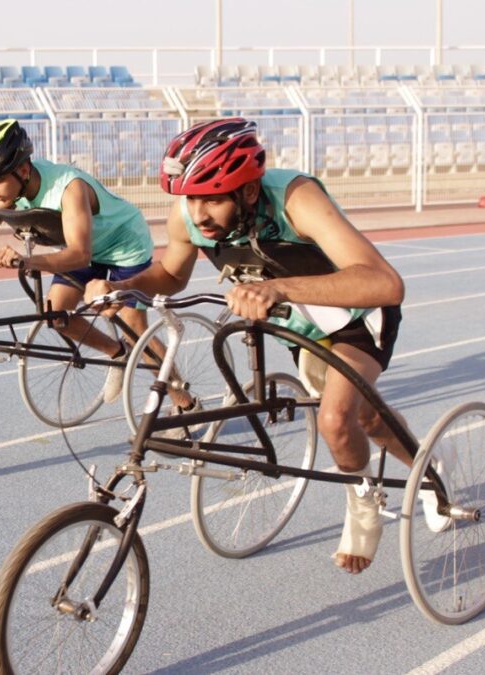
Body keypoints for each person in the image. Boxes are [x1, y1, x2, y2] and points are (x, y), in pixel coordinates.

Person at [85, 118, 428, 575]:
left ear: (248, 191)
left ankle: (369, 503)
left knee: (337, 418)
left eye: (212, 199)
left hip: (356, 317)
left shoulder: (297, 199)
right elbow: (169, 275)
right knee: (363, 416)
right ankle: (423, 463)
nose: (198, 214)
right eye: (191, 199)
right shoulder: (188, 216)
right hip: (301, 324)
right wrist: (122, 287)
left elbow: (385, 283)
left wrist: (278, 288)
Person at [0, 119, 195, 412]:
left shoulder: (68, 188)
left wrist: (27, 261)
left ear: (22, 170)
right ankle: (117, 353)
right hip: (85, 248)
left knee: (134, 329)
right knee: (55, 313)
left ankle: (185, 404)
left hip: (124, 245)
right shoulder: (14, 190)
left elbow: (79, 255)